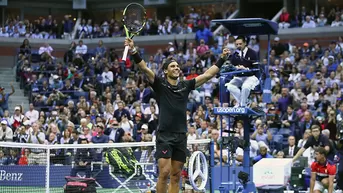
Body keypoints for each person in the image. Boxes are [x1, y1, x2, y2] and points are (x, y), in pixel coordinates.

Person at [124, 38, 230, 193]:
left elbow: (207, 75)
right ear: (166, 71)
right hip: (164, 135)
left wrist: (222, 59)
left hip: (181, 136)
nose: (176, 68)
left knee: (176, 175)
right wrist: (133, 51)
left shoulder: (185, 85)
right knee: (164, 173)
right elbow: (144, 68)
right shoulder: (160, 84)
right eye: (172, 66)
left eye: (178, 66)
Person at [225, 36, 259, 107]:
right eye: (237, 44)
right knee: (230, 86)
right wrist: (235, 67)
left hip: (250, 76)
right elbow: (231, 65)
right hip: (239, 76)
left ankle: (242, 106)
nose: (238, 46)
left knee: (245, 86)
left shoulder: (252, 53)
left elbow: (256, 68)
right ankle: (244, 102)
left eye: (240, 44)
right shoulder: (235, 54)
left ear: (245, 43)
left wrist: (245, 68)